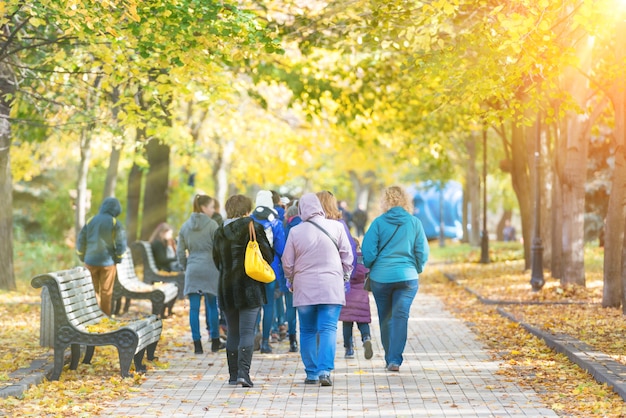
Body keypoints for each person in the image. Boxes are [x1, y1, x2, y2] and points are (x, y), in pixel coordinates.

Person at [282, 193, 353, 386]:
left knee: (306, 330)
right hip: (331, 286)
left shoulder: (296, 231)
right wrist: (345, 275)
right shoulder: (337, 227)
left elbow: (287, 262)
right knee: (328, 328)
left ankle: (311, 373)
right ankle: (324, 371)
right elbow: (348, 256)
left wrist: (291, 280)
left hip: (304, 288)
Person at [362, 186, 429, 372]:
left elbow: (368, 252)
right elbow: (422, 252)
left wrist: (372, 265)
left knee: (386, 317)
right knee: (401, 317)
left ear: (385, 201)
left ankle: (389, 356)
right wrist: (417, 268)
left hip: (381, 278)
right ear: (405, 201)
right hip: (407, 278)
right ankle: (395, 359)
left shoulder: (378, 223)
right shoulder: (414, 223)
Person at [213, 194, 274, 387]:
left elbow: (217, 261)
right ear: (248, 209)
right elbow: (268, 256)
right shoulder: (253, 227)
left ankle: (232, 375)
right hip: (250, 287)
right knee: (247, 331)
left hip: (226, 287)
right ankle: (243, 374)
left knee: (233, 332)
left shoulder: (219, 231)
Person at [316, 191, 370, 359]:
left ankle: (319, 361)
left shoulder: (306, 225)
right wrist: (346, 278)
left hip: (312, 281)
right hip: (338, 283)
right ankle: (327, 362)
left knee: (314, 325)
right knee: (332, 324)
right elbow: (349, 256)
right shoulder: (340, 225)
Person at [177, 194, 222, 354]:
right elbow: (219, 249)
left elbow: (180, 252)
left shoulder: (185, 226)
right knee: (211, 306)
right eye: (211, 207)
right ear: (203, 208)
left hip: (193, 269)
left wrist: (186, 266)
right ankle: (215, 341)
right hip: (210, 268)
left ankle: (197, 344)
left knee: (194, 309)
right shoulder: (212, 225)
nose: (213, 210)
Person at [76, 196, 127, 316]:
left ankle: (92, 316)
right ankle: (105, 317)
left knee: (91, 291)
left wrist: (82, 256)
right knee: (106, 292)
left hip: (90, 261)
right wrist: (119, 258)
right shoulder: (114, 222)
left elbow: (81, 240)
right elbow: (121, 243)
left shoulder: (91, 220)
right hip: (107, 263)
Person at [250, 190, 287, 354]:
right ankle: (265, 341)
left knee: (254, 305)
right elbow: (281, 248)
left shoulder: (249, 222)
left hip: (252, 269)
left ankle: (254, 335)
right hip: (271, 270)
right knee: (269, 305)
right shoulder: (276, 223)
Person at [282, 201, 301, 352]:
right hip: (305, 272)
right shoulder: (306, 227)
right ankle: (308, 337)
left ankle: (292, 340)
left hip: (290, 272)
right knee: (304, 307)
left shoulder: (285, 228)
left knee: (290, 307)